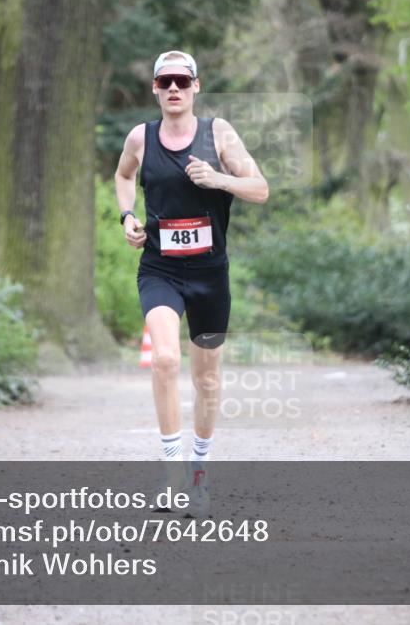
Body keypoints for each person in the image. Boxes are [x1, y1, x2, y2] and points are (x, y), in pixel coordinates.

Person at [113, 51, 269, 516]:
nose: (174, 89)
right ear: (155, 89)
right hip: (159, 269)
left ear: (196, 86)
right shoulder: (140, 137)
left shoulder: (218, 134)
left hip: (209, 276)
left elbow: (260, 189)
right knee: (164, 359)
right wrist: (127, 216)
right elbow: (123, 175)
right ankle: (172, 472)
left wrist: (219, 178)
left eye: (182, 81)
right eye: (165, 82)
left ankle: (199, 471)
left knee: (207, 379)